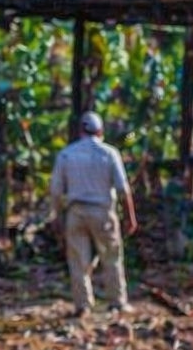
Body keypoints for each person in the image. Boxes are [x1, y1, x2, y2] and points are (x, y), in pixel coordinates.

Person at [48, 110, 138, 317]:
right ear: (100, 131)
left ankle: (83, 305)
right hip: (102, 212)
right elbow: (123, 189)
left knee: (78, 260)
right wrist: (130, 217)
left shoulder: (67, 154)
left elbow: (55, 191)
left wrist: (57, 216)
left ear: (80, 130)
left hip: (76, 212)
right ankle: (117, 302)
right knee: (111, 256)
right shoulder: (109, 153)